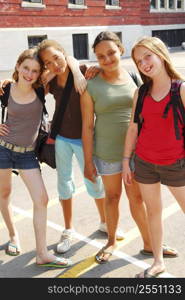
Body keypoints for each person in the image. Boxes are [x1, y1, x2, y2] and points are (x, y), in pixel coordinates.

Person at [80, 31, 178, 264]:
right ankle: (111, 241)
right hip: (107, 153)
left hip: (138, 151)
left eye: (111, 52)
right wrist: (87, 162)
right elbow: (87, 127)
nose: (107, 59)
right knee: (112, 197)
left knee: (138, 200)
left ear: (121, 50)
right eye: (100, 56)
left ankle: (149, 243)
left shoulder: (135, 75)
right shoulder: (90, 84)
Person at [37, 39, 126, 254]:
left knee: (94, 182)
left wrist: (76, 70)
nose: (55, 65)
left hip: (86, 140)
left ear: (64, 54)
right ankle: (68, 229)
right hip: (61, 139)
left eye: (57, 58)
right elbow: (30, 82)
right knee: (64, 185)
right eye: (48, 63)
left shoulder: (86, 71)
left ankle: (105, 222)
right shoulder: (51, 80)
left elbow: (75, 61)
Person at [0, 48, 72, 268]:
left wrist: (78, 71)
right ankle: (13, 236)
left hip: (28, 155)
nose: (29, 74)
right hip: (3, 150)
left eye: (35, 70)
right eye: (26, 68)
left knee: (41, 199)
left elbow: (66, 61)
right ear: (18, 67)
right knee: (4, 193)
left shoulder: (41, 89)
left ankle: (42, 254)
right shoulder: (5, 89)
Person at [122, 36, 185, 277]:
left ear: (160, 54)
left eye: (147, 56)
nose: (144, 63)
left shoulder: (180, 89)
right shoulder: (141, 92)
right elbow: (133, 128)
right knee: (153, 212)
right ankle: (158, 261)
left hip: (176, 163)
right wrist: (126, 161)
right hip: (145, 163)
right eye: (138, 61)